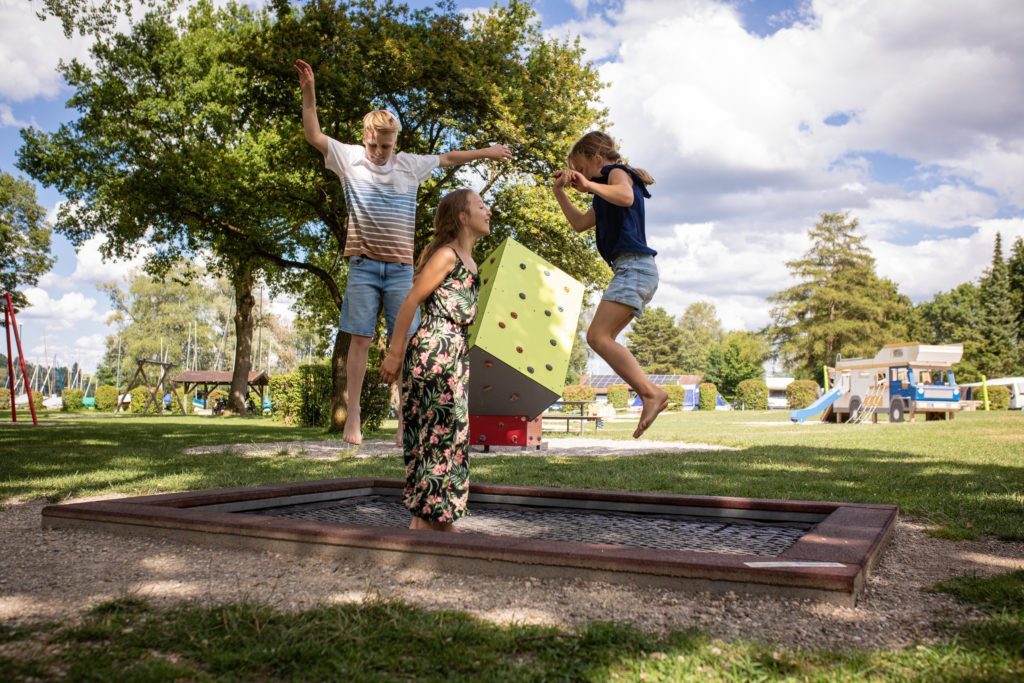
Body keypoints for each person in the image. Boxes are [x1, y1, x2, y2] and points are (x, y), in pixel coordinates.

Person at [294, 58, 511, 446]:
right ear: (364, 138)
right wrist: (309, 92)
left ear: (396, 144)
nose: (379, 152)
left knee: (409, 344)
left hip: (399, 270)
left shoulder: (409, 166)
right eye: (374, 144)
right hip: (362, 266)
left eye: (387, 146)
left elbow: (448, 157)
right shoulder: (348, 159)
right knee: (359, 339)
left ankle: (404, 419)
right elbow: (313, 134)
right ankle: (354, 417)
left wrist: (486, 152)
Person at [380, 189, 488, 532]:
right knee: (436, 437)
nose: (488, 211)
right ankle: (428, 526)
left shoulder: (471, 262)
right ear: (462, 216)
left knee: (451, 437)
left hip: (455, 353)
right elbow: (411, 300)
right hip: (434, 351)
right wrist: (395, 354)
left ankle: (435, 522)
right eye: (481, 206)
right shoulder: (447, 255)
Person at [552, 131, 667, 438]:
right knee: (603, 338)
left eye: (582, 168)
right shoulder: (603, 194)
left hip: (635, 268)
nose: (581, 176)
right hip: (631, 270)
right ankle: (649, 392)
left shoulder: (617, 174)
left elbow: (626, 195)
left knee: (598, 337)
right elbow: (579, 224)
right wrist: (560, 192)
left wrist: (589, 183)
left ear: (597, 160)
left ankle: (651, 393)